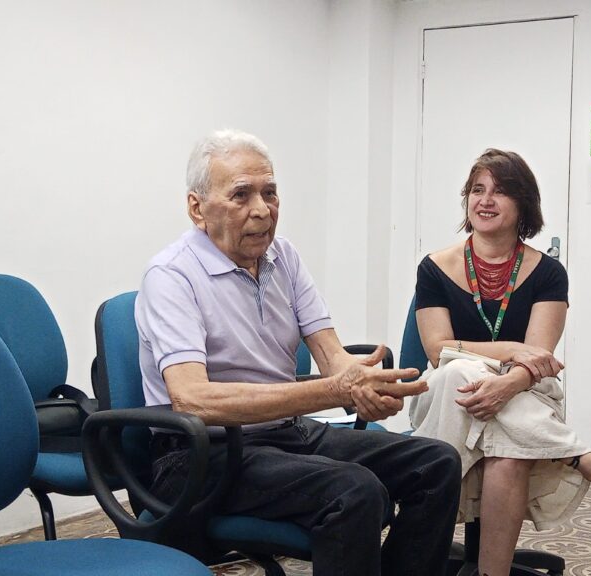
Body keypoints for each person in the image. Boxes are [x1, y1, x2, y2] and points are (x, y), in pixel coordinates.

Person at [135, 129, 462, 576]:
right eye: (241, 195)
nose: (262, 210)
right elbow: (194, 400)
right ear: (197, 208)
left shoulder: (283, 258)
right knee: (355, 490)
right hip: (200, 455)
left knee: (437, 463)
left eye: (270, 193)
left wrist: (364, 384)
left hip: (285, 435)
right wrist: (335, 391)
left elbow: (332, 356)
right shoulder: (171, 276)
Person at [409, 149, 591, 576]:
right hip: (448, 396)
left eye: (501, 191)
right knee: (455, 371)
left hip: (522, 390)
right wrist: (509, 351)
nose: (486, 200)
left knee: (507, 451)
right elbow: (438, 349)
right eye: (478, 190)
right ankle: (585, 458)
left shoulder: (548, 273)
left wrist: (507, 381)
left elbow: (537, 362)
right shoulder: (434, 267)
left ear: (524, 204)